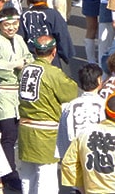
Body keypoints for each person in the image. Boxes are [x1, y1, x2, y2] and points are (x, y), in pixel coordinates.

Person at [16, 35, 78, 194]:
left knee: (27, 174)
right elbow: (70, 93)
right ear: (54, 51)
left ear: (35, 51)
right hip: (46, 132)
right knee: (46, 175)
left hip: (25, 129)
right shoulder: (53, 73)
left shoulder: (25, 70)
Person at [0, 8, 29, 192]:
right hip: (2, 92)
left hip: (18, 94)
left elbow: (28, 57)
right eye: (7, 24)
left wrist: (26, 64)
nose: (11, 28)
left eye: (14, 24)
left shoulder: (19, 40)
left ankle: (5, 169)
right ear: (0, 24)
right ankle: (9, 174)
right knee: (8, 134)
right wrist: (14, 65)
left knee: (15, 133)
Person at [57, 63, 106, 156]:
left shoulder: (69, 106)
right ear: (99, 80)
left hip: (75, 156)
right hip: (99, 157)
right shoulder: (104, 105)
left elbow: (62, 138)